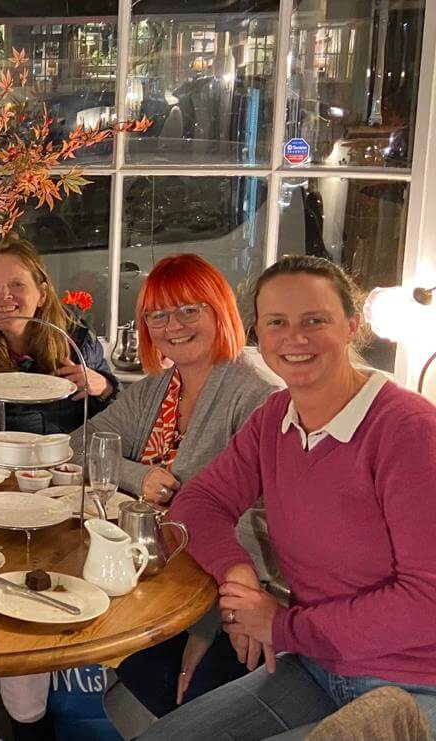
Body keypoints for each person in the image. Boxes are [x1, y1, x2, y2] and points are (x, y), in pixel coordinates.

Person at [142, 255, 436, 739]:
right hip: (315, 668)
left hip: (410, 688)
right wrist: (240, 584)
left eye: (314, 321)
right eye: (277, 322)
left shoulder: (407, 431)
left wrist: (279, 626)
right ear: (259, 332)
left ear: (351, 327)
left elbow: (426, 601)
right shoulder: (275, 416)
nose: (294, 338)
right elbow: (197, 504)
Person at [1, 255, 280, 735]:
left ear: (220, 311)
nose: (173, 325)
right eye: (158, 314)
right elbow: (81, 443)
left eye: (190, 310)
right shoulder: (159, 390)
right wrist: (138, 474)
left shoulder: (255, 394)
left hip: (231, 594)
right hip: (156, 573)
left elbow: (263, 526)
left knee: (187, 695)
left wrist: (205, 628)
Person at [0, 237, 118, 436]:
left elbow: (115, 423)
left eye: (16, 284)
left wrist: (105, 388)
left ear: (42, 294)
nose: (3, 295)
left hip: (70, 463)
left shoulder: (79, 343)